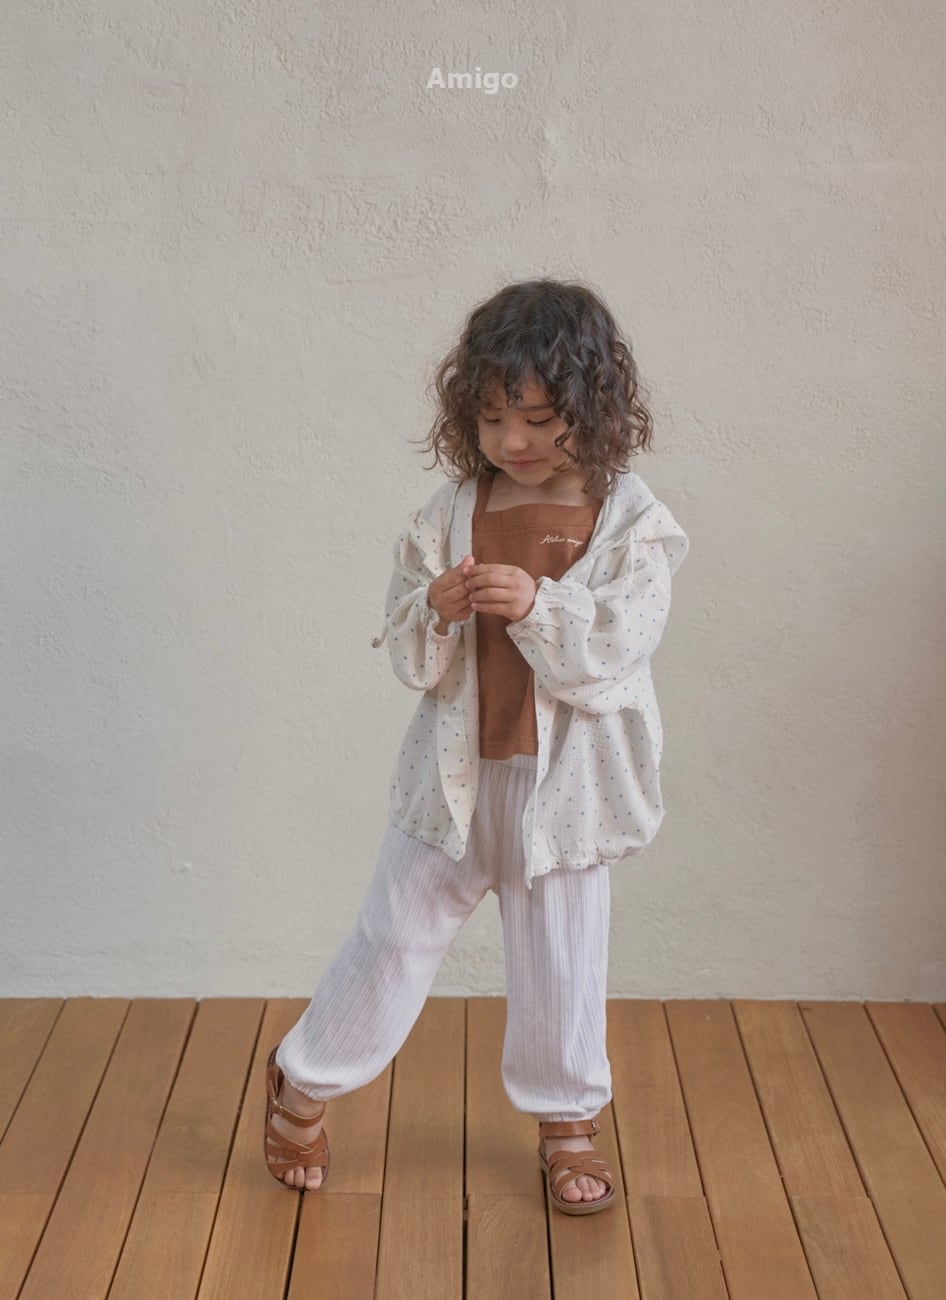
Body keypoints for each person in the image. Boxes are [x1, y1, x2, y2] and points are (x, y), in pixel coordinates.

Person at [263, 277, 689, 1214]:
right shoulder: (451, 511)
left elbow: (620, 645)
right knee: (392, 938)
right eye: (495, 420)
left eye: (538, 419)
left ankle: (568, 1123)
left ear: (594, 408)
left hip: (565, 791)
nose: (514, 442)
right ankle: (303, 1080)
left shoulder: (630, 520)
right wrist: (437, 608)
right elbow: (408, 653)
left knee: (564, 958)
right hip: (452, 785)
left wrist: (539, 606)